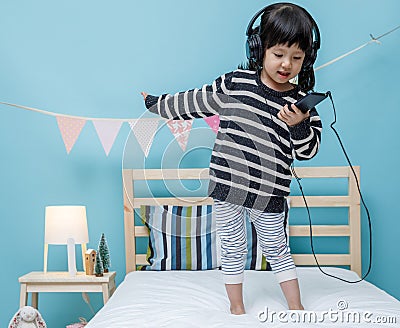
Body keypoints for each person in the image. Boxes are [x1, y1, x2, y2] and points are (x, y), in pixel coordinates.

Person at [141, 2, 322, 315]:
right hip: (228, 186)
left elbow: (308, 151)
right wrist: (159, 104)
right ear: (259, 48)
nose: (286, 64)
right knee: (233, 246)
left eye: (296, 58)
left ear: (307, 59)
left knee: (277, 248)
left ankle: (297, 306)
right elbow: (195, 101)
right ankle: (236, 308)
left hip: (269, 192)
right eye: (279, 54)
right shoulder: (235, 83)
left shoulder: (301, 104)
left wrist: (300, 124)